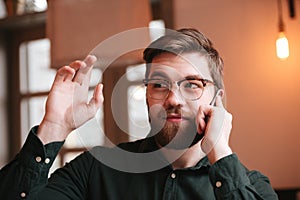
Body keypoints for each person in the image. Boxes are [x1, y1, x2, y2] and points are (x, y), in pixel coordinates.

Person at [0, 28, 278, 199]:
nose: (173, 99)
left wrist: (220, 151)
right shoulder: (95, 170)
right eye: (159, 84)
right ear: (146, 94)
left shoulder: (252, 187)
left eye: (192, 84)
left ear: (217, 98)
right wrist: (53, 128)